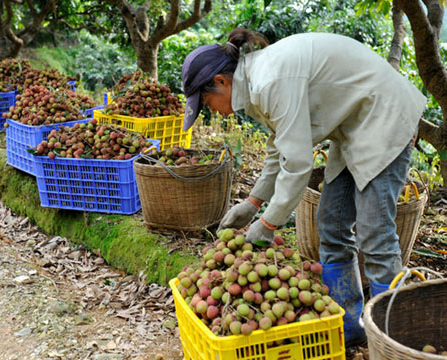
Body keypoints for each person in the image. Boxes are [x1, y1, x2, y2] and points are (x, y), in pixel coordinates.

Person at [180, 28, 426, 347]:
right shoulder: (255, 84)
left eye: (206, 101)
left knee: (374, 232)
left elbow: (297, 165)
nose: (210, 109)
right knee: (332, 224)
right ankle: (350, 327)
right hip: (353, 127)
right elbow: (278, 150)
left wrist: (268, 224)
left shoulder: (270, 81)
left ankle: (393, 336)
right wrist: (252, 204)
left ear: (222, 82)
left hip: (384, 117)